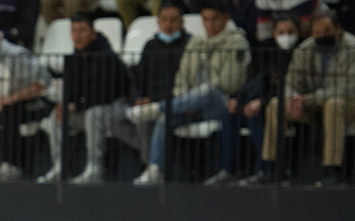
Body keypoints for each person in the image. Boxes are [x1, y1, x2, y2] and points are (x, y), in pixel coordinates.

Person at [128, 0, 251, 185]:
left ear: (226, 18)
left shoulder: (237, 42)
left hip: (222, 103)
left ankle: (158, 107)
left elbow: (230, 82)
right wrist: (186, 100)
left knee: (206, 91)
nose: (210, 24)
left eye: (215, 19)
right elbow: (181, 78)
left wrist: (196, 98)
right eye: (206, 19)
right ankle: (155, 170)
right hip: (191, 106)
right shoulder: (196, 42)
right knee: (166, 117)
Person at [38, 12, 135, 184]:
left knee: (93, 114)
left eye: (82, 30)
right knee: (56, 118)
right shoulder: (72, 59)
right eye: (74, 31)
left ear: (93, 33)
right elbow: (70, 92)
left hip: (115, 107)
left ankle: (94, 169)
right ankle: (59, 167)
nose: (77, 36)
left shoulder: (107, 57)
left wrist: (75, 105)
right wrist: (65, 105)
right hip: (86, 109)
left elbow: (105, 95)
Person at [263, 9, 354, 185]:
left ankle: (331, 171)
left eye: (327, 31)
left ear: (338, 28)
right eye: (317, 32)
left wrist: (309, 99)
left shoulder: (352, 47)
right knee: (276, 105)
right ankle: (272, 168)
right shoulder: (305, 50)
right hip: (313, 104)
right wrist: (293, 100)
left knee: (334, 104)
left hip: (348, 104)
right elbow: (290, 84)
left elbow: (348, 88)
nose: (322, 36)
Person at [0, 20, 51, 182]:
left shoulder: (16, 55)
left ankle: (11, 166)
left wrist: (12, 98)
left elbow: (43, 82)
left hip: (30, 103)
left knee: (8, 109)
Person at [232, 12, 300, 184]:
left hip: (290, 102)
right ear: (273, 32)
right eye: (281, 32)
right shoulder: (266, 51)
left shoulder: (301, 52)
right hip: (264, 101)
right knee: (233, 113)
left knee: (260, 113)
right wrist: (239, 100)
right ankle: (232, 171)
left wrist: (262, 101)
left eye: (290, 31)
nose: (286, 36)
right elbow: (255, 81)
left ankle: (269, 170)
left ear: (298, 32)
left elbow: (292, 86)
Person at [129, 1, 191, 165]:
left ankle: (154, 169)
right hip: (149, 102)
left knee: (156, 118)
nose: (168, 24)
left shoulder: (190, 45)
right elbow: (138, 78)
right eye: (164, 19)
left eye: (173, 20)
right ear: (158, 23)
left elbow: (185, 85)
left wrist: (154, 100)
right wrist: (137, 98)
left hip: (176, 104)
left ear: (181, 22)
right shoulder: (151, 46)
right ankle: (150, 166)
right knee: (139, 116)